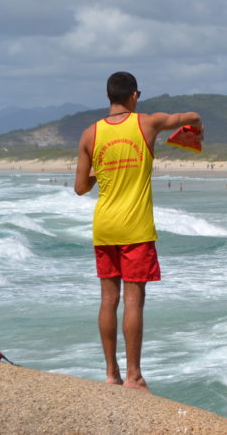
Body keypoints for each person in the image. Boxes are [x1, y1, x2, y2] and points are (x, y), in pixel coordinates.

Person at [75, 71, 203, 392]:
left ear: (108, 97)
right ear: (134, 96)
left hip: (104, 226)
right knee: (134, 301)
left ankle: (110, 374)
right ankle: (134, 377)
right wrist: (195, 126)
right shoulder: (147, 123)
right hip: (135, 227)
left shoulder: (90, 134)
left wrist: (97, 172)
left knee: (108, 300)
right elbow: (188, 116)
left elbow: (80, 187)